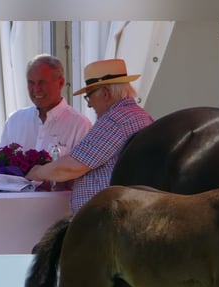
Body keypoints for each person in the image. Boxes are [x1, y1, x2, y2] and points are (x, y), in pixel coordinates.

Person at [26, 59, 154, 213]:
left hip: (106, 218)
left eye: (89, 96)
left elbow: (71, 167)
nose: (89, 105)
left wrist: (36, 172)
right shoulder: (137, 115)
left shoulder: (115, 120)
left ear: (106, 93)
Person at [0, 54, 92, 158]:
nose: (36, 89)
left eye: (41, 83)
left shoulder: (80, 125)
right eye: (31, 83)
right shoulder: (15, 121)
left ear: (60, 83)